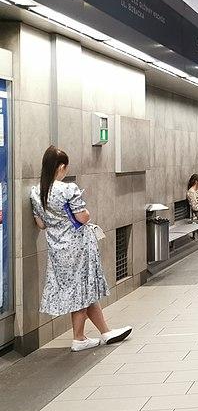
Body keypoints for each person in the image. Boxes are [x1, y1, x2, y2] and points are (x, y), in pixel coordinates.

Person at [30, 146, 131, 351]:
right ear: (61, 167)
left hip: (57, 248)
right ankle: (78, 338)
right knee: (81, 290)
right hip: (78, 246)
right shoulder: (68, 188)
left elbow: (40, 224)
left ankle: (105, 332)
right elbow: (82, 217)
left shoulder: (35, 191)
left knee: (82, 290)